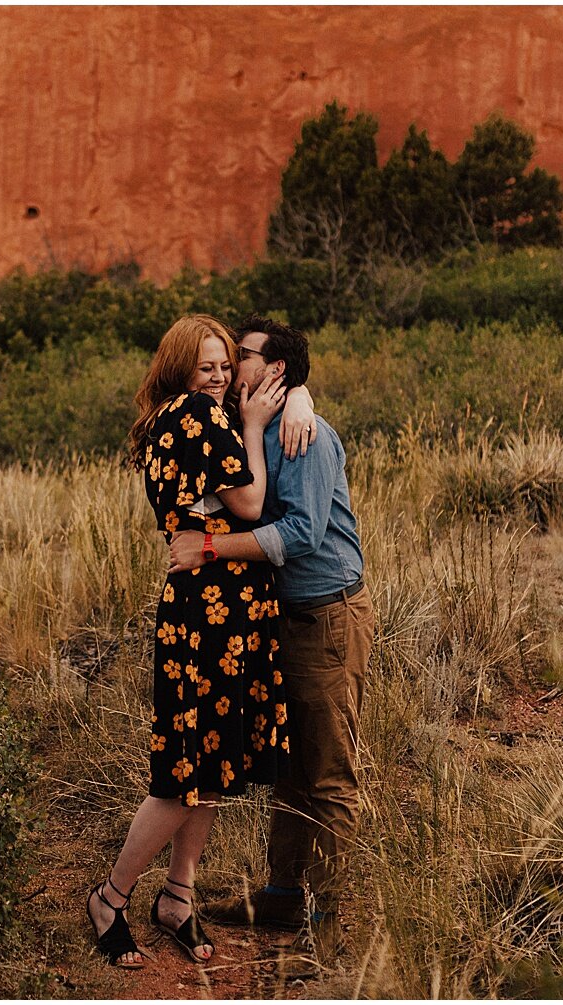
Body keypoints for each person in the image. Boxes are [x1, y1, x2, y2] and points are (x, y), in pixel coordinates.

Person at [85, 314, 316, 969]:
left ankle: (178, 898)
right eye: (206, 367)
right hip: (210, 611)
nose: (217, 377)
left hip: (221, 606)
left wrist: (296, 391)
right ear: (181, 370)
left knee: (212, 761)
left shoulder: (166, 417)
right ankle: (111, 896)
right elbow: (247, 503)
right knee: (182, 773)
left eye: (223, 366)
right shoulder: (198, 415)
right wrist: (248, 423)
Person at [168, 315, 373, 978]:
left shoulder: (306, 433)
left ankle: (332, 927)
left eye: (243, 356)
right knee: (288, 766)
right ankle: (283, 896)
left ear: (277, 370)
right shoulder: (246, 424)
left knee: (329, 772)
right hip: (278, 619)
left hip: (325, 616)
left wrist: (206, 549)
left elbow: (304, 535)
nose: (230, 366)